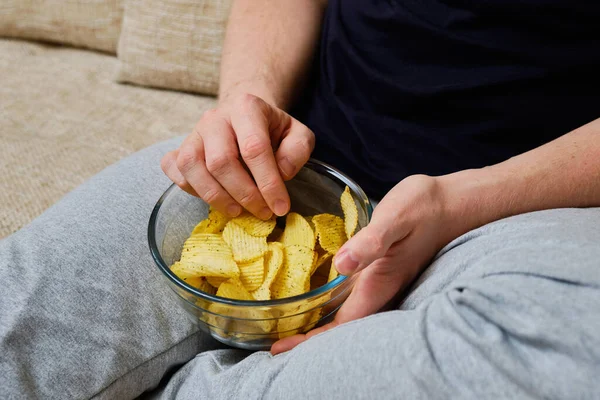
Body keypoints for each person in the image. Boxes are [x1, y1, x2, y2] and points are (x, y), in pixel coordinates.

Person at [1, 1, 599, 399]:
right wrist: (248, 98)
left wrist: (463, 201)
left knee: (569, 351)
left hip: (524, 205)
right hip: (290, 165)